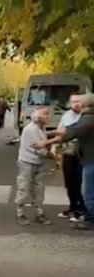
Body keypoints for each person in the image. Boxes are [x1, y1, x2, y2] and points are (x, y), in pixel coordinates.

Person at [49, 92, 94, 230]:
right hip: (82, 156)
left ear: (84, 104)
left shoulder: (89, 118)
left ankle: (90, 219)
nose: (77, 104)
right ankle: (77, 209)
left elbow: (71, 132)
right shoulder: (80, 116)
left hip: (90, 159)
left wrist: (45, 139)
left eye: (79, 101)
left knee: (88, 192)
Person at [14, 107, 54, 226]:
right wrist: (54, 157)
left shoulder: (41, 128)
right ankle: (19, 213)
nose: (49, 117)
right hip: (27, 162)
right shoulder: (31, 129)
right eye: (46, 115)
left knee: (39, 189)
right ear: (37, 118)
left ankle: (39, 212)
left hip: (39, 162)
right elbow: (39, 149)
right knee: (24, 187)